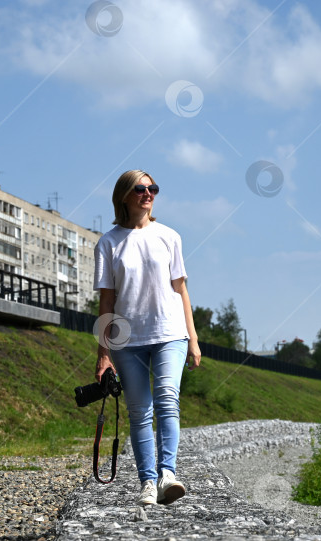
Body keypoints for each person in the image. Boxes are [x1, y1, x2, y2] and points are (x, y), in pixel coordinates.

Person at [93, 169, 201, 506]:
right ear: (124, 195)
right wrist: (103, 352)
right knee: (140, 411)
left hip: (170, 333)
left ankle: (168, 474)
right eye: (140, 189)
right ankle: (147, 484)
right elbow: (107, 301)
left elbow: (180, 290)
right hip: (128, 340)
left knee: (167, 399)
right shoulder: (108, 243)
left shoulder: (170, 236)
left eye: (152, 188)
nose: (148, 193)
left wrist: (193, 339)